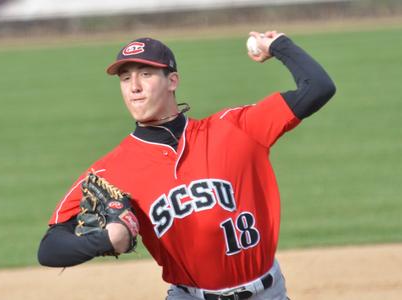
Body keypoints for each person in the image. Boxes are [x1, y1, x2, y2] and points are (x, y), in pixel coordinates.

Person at [38, 30, 336, 300]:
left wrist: (279, 45)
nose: (135, 87)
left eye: (146, 74)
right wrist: (106, 239)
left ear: (173, 81)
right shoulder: (110, 171)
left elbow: (318, 87)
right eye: (126, 78)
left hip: (267, 294)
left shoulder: (235, 128)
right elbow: (50, 247)